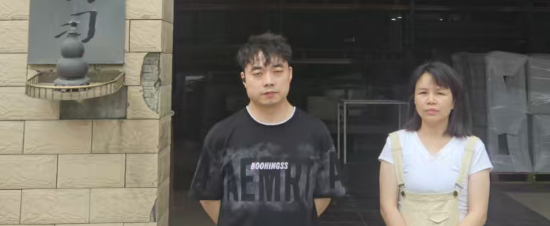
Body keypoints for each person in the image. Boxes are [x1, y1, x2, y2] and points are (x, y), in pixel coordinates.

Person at [190, 32, 345, 225]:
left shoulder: (316, 132)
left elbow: (325, 192)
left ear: (290, 74)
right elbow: (207, 196)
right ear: (244, 79)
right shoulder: (221, 134)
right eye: (257, 73)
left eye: (277, 71)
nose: (269, 81)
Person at [379, 61, 492, 226]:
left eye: (440, 93)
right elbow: (387, 207)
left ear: (454, 101)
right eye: (423, 93)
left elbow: (478, 213)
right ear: (414, 99)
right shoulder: (395, 144)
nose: (431, 100)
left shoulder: (473, 148)